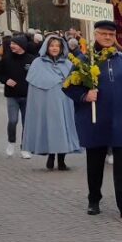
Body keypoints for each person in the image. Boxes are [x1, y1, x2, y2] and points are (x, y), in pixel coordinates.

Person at [65, 20, 122, 220]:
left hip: (120, 120)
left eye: (111, 35)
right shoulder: (84, 60)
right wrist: (84, 96)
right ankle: (94, 199)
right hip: (95, 120)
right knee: (95, 163)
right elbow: (68, 86)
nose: (107, 38)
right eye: (103, 34)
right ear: (95, 35)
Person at [23, 35, 81, 170]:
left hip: (65, 104)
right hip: (47, 105)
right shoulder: (38, 63)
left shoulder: (67, 63)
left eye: (57, 46)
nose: (54, 48)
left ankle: (61, 159)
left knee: (64, 129)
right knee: (50, 128)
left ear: (61, 48)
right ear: (46, 47)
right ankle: (51, 156)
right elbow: (35, 88)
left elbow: (74, 82)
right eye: (52, 45)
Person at [0, 34, 37, 159]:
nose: (11, 46)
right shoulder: (7, 59)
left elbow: (37, 75)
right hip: (12, 96)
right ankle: (11, 142)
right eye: (11, 44)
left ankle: (25, 147)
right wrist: (6, 80)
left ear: (21, 45)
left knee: (26, 122)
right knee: (13, 120)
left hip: (27, 96)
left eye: (14, 44)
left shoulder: (31, 59)